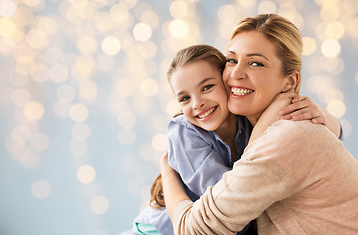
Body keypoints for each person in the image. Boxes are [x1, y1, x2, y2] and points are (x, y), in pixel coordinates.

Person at [161, 14, 358, 234]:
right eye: (232, 60)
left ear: (290, 82)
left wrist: (167, 172)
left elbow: (194, 231)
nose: (236, 74)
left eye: (256, 63)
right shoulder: (259, 125)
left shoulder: (288, 136)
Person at [133, 44, 343, 234]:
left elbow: (327, 138)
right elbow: (230, 209)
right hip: (159, 230)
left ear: (228, 83)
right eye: (185, 98)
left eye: (207, 87)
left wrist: (323, 115)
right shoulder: (184, 133)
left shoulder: (248, 117)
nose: (197, 104)